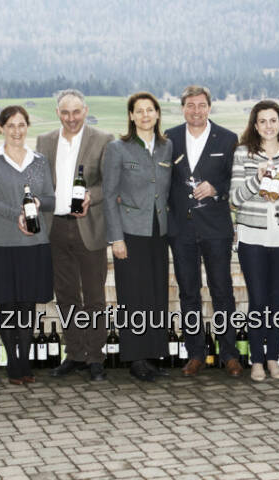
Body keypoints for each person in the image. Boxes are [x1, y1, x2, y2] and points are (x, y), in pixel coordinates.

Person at [37, 90, 114, 382]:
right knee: (66, 295)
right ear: (58, 113)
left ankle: (95, 356)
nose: (71, 118)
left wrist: (91, 197)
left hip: (89, 226)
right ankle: (75, 354)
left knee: (93, 296)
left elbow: (110, 184)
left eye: (76, 112)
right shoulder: (45, 141)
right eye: (66, 113)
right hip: (55, 226)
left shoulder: (103, 139)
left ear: (86, 110)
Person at [164, 86, 241, 377]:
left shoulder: (228, 138)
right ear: (182, 108)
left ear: (210, 107)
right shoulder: (168, 138)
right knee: (188, 293)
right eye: (190, 105)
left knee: (222, 291)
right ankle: (195, 353)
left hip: (216, 228)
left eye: (201, 105)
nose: (196, 110)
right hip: (181, 229)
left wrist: (217, 189)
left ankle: (229, 354)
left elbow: (236, 181)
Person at [103, 92, 174, 382]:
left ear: (157, 114)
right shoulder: (117, 149)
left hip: (160, 232)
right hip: (131, 233)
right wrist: (115, 238)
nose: (145, 115)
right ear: (131, 116)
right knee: (134, 298)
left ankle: (155, 354)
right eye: (139, 111)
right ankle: (136, 358)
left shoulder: (167, 147)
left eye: (150, 110)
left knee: (156, 295)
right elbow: (108, 196)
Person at [0, 105, 55, 385]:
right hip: (1, 242)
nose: (16, 131)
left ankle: (24, 361)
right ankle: (14, 364)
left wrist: (37, 203)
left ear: (28, 127)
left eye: (21, 125)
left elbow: (50, 198)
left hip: (34, 242)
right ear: (1, 128)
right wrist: (19, 214)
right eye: (10, 125)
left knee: (27, 304)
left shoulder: (39, 160)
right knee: (8, 305)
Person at [229, 100, 279, 381]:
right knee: (258, 300)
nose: (268, 126)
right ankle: (256, 360)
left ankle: (273, 358)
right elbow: (234, 199)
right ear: (254, 125)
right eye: (262, 121)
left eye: (273, 120)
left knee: (276, 301)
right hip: (252, 236)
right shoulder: (243, 154)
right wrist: (256, 180)